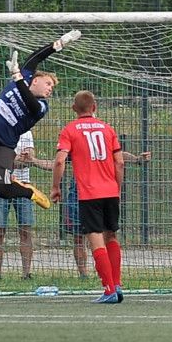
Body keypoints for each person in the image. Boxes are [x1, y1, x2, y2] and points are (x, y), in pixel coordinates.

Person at [0, 30, 81, 208]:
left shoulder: (41, 106)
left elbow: (29, 102)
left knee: (4, 191)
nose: (50, 89)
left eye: (52, 88)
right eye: (48, 83)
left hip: (1, 149)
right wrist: (59, 44)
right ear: (35, 80)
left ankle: (27, 190)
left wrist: (17, 77)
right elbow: (35, 58)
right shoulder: (25, 78)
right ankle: (8, 181)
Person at [30, 149, 151, 280]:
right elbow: (57, 162)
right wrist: (34, 161)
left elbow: (119, 156)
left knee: (106, 235)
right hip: (78, 194)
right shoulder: (75, 141)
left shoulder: (102, 139)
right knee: (78, 237)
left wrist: (137, 160)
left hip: (99, 193)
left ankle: (108, 274)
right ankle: (84, 274)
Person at [51, 90, 125, 303]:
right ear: (94, 107)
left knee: (95, 240)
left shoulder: (69, 130)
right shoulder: (108, 129)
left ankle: (109, 289)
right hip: (110, 191)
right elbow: (119, 162)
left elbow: (59, 161)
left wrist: (56, 187)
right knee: (111, 236)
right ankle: (117, 283)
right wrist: (116, 188)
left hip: (89, 193)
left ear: (74, 109)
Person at [0, 132, 37, 280]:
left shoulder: (26, 132)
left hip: (23, 185)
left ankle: (26, 273)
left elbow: (30, 156)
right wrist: (15, 159)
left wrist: (27, 156)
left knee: (25, 230)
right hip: (0, 184)